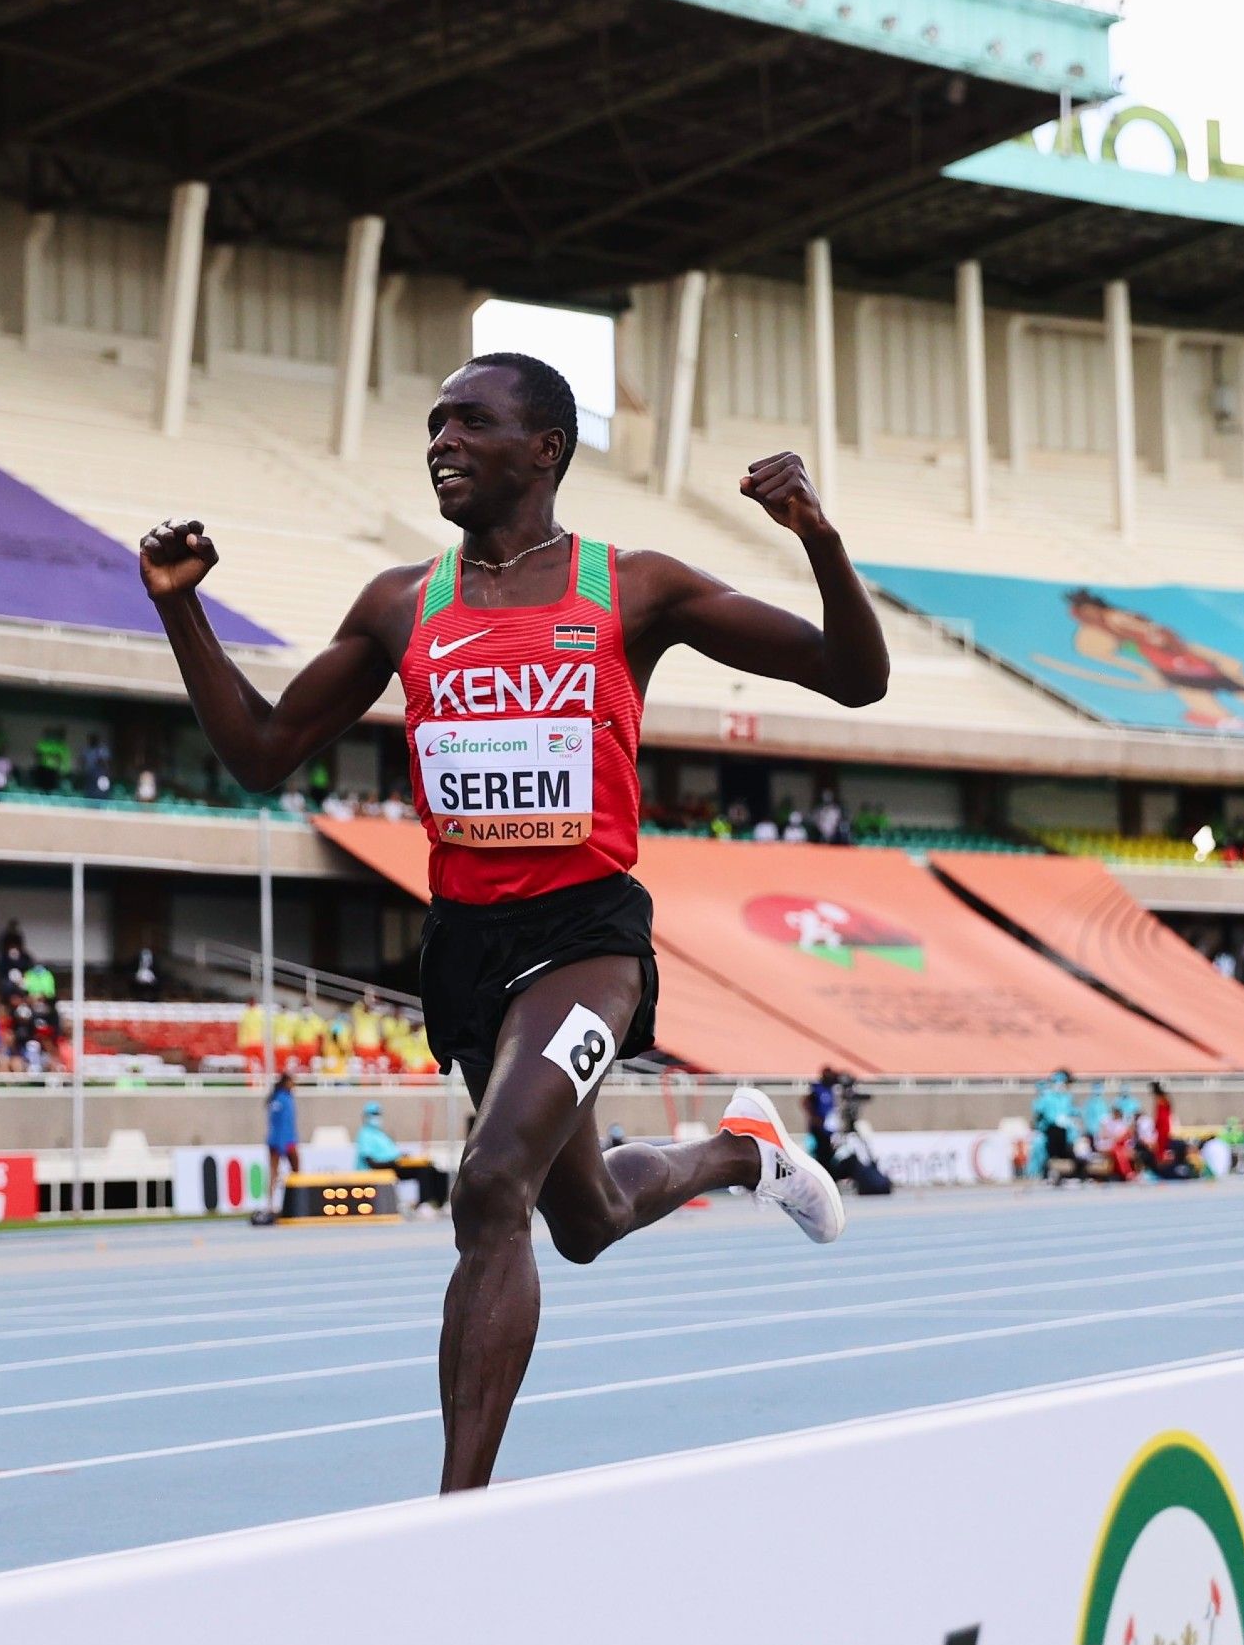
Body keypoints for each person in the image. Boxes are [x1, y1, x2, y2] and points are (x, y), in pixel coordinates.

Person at [141, 351, 878, 1492]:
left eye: (469, 422)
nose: (440, 440)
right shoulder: (402, 605)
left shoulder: (632, 589)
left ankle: (457, 1521)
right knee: (581, 1220)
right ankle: (741, 1150)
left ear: (544, 450)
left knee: (490, 1188)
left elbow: (852, 677)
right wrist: (181, 611)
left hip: (586, 943)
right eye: (433, 422)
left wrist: (818, 539)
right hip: (467, 952)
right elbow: (262, 753)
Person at [264, 1071, 301, 1193]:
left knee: (274, 1173)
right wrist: (283, 1144)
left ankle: (271, 1203)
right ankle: (296, 1198)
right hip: (285, 1140)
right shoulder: (285, 1100)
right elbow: (285, 1123)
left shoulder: (276, 1098)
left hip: (274, 1140)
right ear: (286, 1083)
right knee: (295, 1170)